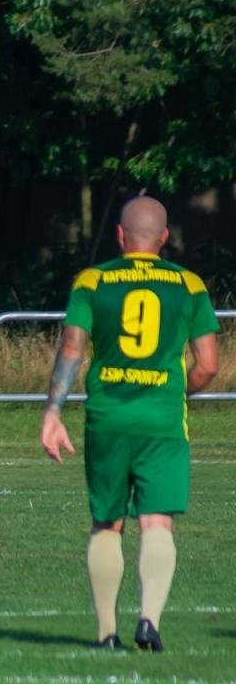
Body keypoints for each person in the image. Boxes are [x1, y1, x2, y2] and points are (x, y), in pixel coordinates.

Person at [39, 196, 218, 652]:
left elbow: (73, 348)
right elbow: (209, 366)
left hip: (108, 418)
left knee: (107, 523)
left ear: (120, 236)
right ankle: (149, 622)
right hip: (161, 421)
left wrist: (53, 413)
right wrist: (174, 392)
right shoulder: (190, 284)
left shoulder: (94, 279)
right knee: (157, 523)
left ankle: (106, 632)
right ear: (164, 238)